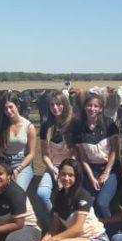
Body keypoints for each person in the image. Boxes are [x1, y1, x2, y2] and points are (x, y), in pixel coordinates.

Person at [37, 158, 109, 241]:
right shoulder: (59, 196)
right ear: (58, 174)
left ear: (77, 177)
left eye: (71, 175)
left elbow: (77, 229)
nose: (66, 178)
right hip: (81, 240)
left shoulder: (82, 194)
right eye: (63, 174)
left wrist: (53, 239)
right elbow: (55, 226)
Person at [73, 92, 119, 220]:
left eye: (95, 106)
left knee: (102, 203)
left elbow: (115, 150)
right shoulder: (78, 127)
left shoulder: (109, 124)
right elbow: (82, 157)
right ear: (84, 107)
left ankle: (112, 231)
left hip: (110, 169)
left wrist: (106, 173)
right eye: (89, 105)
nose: (92, 109)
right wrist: (91, 177)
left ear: (100, 109)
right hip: (90, 169)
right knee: (87, 203)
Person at [36, 90, 76, 230]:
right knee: (42, 194)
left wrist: (64, 173)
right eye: (52, 105)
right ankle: (54, 226)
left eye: (59, 104)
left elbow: (74, 155)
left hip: (70, 167)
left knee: (66, 195)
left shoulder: (73, 124)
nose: (55, 108)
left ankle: (69, 226)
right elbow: (45, 155)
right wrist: (53, 169)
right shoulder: (46, 126)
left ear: (65, 104)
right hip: (52, 166)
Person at [0, 91, 37, 191]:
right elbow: (0, 152)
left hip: (23, 164)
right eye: (5, 109)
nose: (8, 111)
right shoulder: (2, 126)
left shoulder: (29, 127)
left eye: (11, 107)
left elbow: (31, 154)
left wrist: (18, 169)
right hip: (6, 163)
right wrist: (5, 169)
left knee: (17, 190)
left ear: (17, 106)